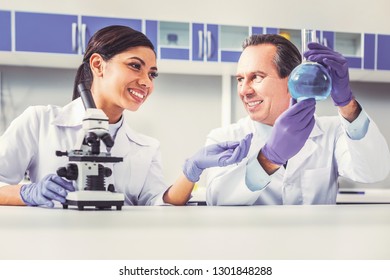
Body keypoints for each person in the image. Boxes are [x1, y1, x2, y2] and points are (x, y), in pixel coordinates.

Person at [0, 25, 252, 207]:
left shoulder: (146, 148)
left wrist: (191, 172)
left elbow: (160, 206)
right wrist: (27, 193)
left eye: (152, 74)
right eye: (135, 66)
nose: (146, 82)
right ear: (98, 65)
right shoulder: (39, 122)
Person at [204, 34, 390, 205]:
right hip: (253, 242)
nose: (244, 90)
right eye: (240, 79)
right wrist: (268, 159)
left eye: (256, 77)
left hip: (317, 241)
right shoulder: (222, 138)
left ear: (293, 79)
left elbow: (375, 171)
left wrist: (347, 104)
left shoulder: (332, 131)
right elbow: (217, 200)